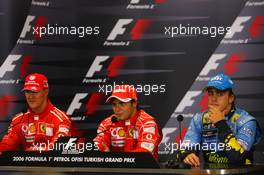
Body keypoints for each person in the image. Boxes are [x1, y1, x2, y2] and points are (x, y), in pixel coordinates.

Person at [180, 73, 262, 166]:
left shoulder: (247, 121)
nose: (214, 99)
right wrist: (187, 155)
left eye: (220, 94)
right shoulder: (199, 119)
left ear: (231, 98)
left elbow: (238, 157)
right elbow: (184, 150)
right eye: (211, 93)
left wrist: (221, 123)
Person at [0, 73, 76, 152]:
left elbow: (58, 149)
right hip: (25, 164)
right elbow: (5, 146)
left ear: (46, 92)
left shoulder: (61, 120)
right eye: (27, 91)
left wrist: (33, 152)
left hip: (52, 164)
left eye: (35, 92)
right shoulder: (18, 120)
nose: (30, 96)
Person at [93, 84, 163, 160]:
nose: (117, 109)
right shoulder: (107, 124)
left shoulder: (147, 123)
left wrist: (115, 159)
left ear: (134, 103)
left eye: (122, 103)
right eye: (114, 104)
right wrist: (102, 150)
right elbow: (98, 146)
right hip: (114, 170)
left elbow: (144, 155)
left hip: (143, 170)